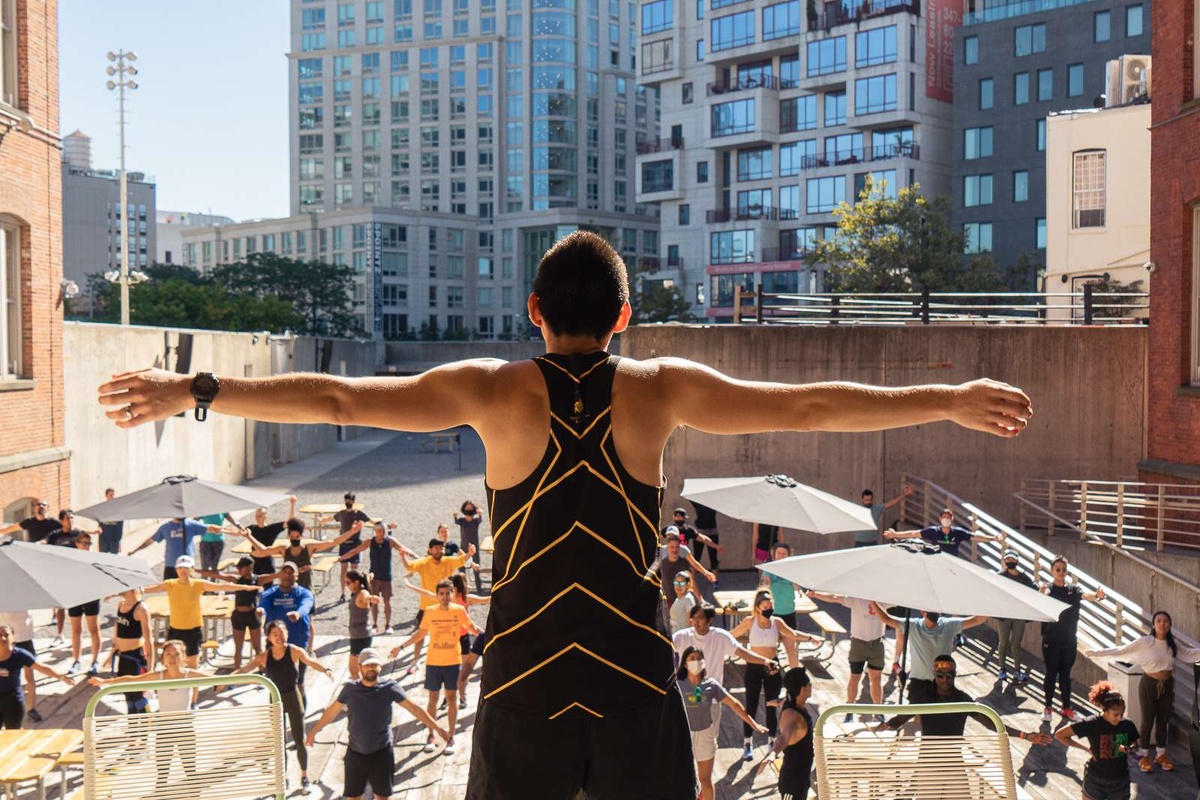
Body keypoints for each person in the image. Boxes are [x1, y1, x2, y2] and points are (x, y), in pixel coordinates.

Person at [99, 229, 1033, 799]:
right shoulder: (660, 389)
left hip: (523, 679)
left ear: (533, 309)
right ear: (624, 315)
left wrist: (196, 387)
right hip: (632, 677)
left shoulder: (491, 388)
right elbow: (811, 407)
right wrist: (947, 394)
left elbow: (341, 402)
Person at [306, 647, 450, 800]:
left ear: (380, 667)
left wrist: (438, 728)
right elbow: (330, 712)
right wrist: (313, 732)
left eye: (374, 665)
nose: (371, 668)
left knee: (382, 797)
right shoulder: (350, 689)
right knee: (353, 798)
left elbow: (415, 709)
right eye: (367, 665)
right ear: (359, 667)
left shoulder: (389, 687)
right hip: (355, 754)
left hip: (382, 753)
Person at [1086, 610, 1200, 772]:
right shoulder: (1146, 642)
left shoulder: (1172, 643)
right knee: (1147, 721)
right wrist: (1097, 653)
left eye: (1165, 621)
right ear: (1154, 625)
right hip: (1149, 684)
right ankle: (1143, 756)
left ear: (1169, 625)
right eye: (1159, 621)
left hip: (1167, 684)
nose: (1162, 624)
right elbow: (1121, 650)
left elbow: (1189, 654)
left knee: (1163, 721)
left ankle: (1161, 755)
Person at [89, 639, 208, 792]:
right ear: (163, 657)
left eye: (176, 654)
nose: (172, 658)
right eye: (168, 654)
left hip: (185, 731)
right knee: (162, 776)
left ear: (183, 656)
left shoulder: (189, 674)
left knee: (190, 773)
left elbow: (218, 680)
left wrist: (242, 676)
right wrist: (105, 681)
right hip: (164, 731)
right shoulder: (158, 676)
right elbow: (131, 680)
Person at [228, 620, 333, 793]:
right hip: (275, 700)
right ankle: (282, 779)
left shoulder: (294, 650)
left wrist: (326, 669)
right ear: (269, 637)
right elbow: (246, 669)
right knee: (279, 742)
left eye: (282, 632)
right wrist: (226, 682)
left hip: (293, 697)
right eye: (275, 634)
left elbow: (311, 661)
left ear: (287, 633)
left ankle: (304, 776)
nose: (279, 636)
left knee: (300, 739)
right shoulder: (264, 656)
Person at [392, 578, 482, 754]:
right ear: (437, 595)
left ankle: (450, 737)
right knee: (432, 699)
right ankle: (431, 735)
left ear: (453, 593)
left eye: (448, 593)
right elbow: (420, 635)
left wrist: (489, 636)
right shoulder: (430, 611)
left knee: (452, 699)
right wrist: (401, 647)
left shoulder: (459, 610)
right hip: (433, 662)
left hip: (453, 662)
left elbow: (472, 628)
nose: (445, 596)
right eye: (441, 594)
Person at [876, 654, 1052, 742]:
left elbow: (991, 723)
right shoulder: (924, 697)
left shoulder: (962, 699)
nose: (945, 680)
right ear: (934, 675)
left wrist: (1025, 735)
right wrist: (886, 725)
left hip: (954, 759)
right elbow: (902, 718)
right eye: (941, 675)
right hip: (929, 757)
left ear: (955, 675)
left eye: (949, 676)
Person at [730, 590, 821, 759]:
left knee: (771, 704)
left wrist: (810, 638)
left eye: (771, 606)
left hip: (772, 666)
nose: (769, 609)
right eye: (766, 607)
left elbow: (792, 634)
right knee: (751, 705)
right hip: (754, 666)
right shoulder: (750, 622)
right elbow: (731, 636)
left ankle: (772, 740)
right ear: (757, 608)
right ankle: (747, 742)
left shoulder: (776, 622)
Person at [677, 646, 767, 800]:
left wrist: (753, 723)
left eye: (699, 658)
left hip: (705, 736)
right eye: (692, 658)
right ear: (685, 663)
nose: (696, 661)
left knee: (705, 779)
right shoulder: (678, 684)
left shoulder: (711, 685)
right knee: (682, 778)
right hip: (684, 735)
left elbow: (733, 704)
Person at [143, 555, 253, 669]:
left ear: (192, 570)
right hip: (175, 629)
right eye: (180, 568)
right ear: (176, 570)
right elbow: (150, 589)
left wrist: (244, 587)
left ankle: (194, 687)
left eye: (186, 568)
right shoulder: (170, 584)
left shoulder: (198, 584)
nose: (183, 571)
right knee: (172, 663)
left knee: (192, 663)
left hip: (193, 630)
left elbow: (220, 586)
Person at [402, 571, 490, 708]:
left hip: (460, 638)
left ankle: (456, 697)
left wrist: (409, 585)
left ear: (453, 588)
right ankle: (460, 697)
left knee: (456, 670)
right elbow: (486, 600)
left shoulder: (462, 599)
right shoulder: (465, 598)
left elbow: (425, 592)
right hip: (461, 638)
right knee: (460, 670)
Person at [871, 602, 989, 701]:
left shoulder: (949, 625)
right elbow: (886, 619)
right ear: (923, 612)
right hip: (918, 684)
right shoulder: (913, 625)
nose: (934, 613)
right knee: (917, 719)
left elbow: (978, 619)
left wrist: (990, 602)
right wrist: (871, 601)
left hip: (942, 682)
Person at [1039, 555, 1105, 722]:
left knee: (1065, 674)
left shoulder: (1073, 590)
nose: (1061, 572)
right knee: (1051, 674)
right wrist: (1043, 594)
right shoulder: (1048, 588)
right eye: (1058, 569)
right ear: (1052, 571)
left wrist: (1097, 595)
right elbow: (1043, 594)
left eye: (1064, 570)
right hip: (1050, 639)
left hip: (1068, 641)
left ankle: (1066, 708)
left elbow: (1085, 596)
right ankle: (1048, 707)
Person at [806, 590, 887, 720]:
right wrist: (815, 594)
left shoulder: (884, 599)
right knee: (855, 677)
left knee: (876, 679)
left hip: (877, 644)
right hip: (858, 644)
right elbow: (835, 597)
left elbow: (901, 600)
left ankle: (878, 710)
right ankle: (850, 709)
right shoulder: (856, 599)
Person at [400, 537, 475, 672]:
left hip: (447, 606)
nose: (439, 551)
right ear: (430, 550)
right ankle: (415, 661)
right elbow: (409, 566)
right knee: (420, 636)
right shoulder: (423, 563)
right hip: (427, 607)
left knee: (451, 634)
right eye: (436, 548)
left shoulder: (448, 561)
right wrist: (402, 556)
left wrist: (469, 553)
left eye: (441, 549)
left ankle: (453, 662)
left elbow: (462, 560)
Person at [1055, 681, 1140, 800]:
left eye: (1121, 714)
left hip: (1120, 781)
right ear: (1105, 709)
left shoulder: (1127, 725)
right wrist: (1086, 749)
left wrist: (1130, 750)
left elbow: (1136, 748)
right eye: (1116, 715)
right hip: (1095, 780)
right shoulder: (1091, 723)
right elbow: (1060, 735)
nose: (1119, 718)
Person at [337, 520, 409, 632]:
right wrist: (341, 558)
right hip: (374, 576)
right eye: (379, 530)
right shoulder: (369, 542)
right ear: (375, 531)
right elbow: (356, 550)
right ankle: (375, 625)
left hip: (386, 576)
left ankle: (388, 625)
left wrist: (418, 557)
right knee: (373, 602)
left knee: (387, 601)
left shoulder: (390, 541)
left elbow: (403, 549)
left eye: (383, 531)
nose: (381, 533)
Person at [252, 517, 358, 592]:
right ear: (288, 537)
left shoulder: (309, 547)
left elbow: (333, 542)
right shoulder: (284, 549)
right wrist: (249, 536)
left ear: (301, 536)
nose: (294, 539)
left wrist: (352, 532)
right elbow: (263, 550)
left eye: (297, 536)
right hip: (289, 590)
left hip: (306, 589)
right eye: (292, 537)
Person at [259, 562, 316, 698]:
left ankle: (300, 715)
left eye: (291, 572)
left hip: (298, 643)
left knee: (298, 682)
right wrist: (261, 610)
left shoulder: (304, 593)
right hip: (275, 645)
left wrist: (298, 613)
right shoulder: (271, 593)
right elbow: (264, 603)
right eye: (284, 572)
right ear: (279, 575)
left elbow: (306, 605)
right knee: (275, 684)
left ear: (297, 575)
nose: (287, 575)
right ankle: (277, 715)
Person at [0, 624, 75, 728]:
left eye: (6, 635)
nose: (2, 638)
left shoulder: (19, 655)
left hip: (13, 701)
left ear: (13, 638)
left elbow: (41, 667)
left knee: (13, 734)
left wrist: (61, 677)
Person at [756, 667, 815, 800]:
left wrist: (773, 703)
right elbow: (784, 737)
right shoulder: (793, 717)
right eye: (809, 684)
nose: (811, 686)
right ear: (803, 689)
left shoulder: (791, 703)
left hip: (801, 778)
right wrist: (773, 753)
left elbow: (781, 702)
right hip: (792, 784)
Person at [885, 507, 1006, 558]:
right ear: (940, 519)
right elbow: (914, 534)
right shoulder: (933, 531)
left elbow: (975, 536)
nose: (946, 519)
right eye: (944, 517)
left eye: (948, 517)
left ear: (952, 519)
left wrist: (994, 538)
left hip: (953, 562)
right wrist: (895, 534)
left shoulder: (958, 532)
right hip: (936, 560)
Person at [213, 556, 267, 671]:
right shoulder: (236, 580)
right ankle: (237, 674)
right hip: (238, 615)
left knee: (257, 647)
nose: (238, 570)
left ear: (249, 568)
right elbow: (217, 575)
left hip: (253, 615)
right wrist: (196, 571)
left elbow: (278, 575)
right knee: (238, 648)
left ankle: (262, 672)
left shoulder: (258, 579)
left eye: (240, 567)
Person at [129, 516, 225, 580]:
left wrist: (227, 530)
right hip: (171, 565)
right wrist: (134, 550)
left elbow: (209, 528)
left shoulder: (190, 524)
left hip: (187, 565)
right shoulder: (166, 527)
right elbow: (151, 540)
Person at [107, 588, 154, 714]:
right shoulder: (121, 604)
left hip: (135, 657)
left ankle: (145, 728)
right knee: (127, 695)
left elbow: (149, 639)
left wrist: (151, 669)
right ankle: (132, 727)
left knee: (138, 695)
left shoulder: (141, 609)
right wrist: (110, 653)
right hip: (123, 656)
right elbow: (117, 631)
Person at [66, 531, 104, 676]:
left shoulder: (94, 558)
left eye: (89, 543)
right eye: (84, 543)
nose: (87, 546)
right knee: (76, 631)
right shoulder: (71, 558)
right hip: (75, 596)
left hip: (91, 596)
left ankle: (95, 661)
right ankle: (76, 661)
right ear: (77, 544)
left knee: (93, 629)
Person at [995, 549, 1036, 683]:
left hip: (1018, 614)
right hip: (1004, 614)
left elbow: (1034, 588)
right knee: (1003, 643)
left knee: (1016, 643)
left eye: (1012, 560)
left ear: (1017, 561)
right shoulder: (1000, 575)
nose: (1010, 562)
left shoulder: (1023, 577)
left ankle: (1017, 670)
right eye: (1008, 559)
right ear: (1004, 561)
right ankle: (1002, 669)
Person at [324, 492, 371, 602]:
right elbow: (332, 518)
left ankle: (354, 591)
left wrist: (382, 525)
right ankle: (342, 593)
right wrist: (322, 520)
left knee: (354, 570)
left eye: (349, 500)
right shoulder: (342, 513)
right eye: (346, 500)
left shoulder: (358, 513)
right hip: (344, 545)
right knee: (343, 570)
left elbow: (369, 521)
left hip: (355, 545)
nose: (348, 502)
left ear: (353, 501)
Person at [241, 496, 299, 584]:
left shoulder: (272, 529)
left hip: (266, 561)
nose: (257, 518)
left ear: (266, 517)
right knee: (252, 584)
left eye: (260, 516)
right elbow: (237, 532)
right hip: (253, 561)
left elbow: (289, 522)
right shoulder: (252, 528)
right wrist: (221, 529)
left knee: (268, 585)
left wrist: (292, 505)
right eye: (256, 516)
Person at [0, 611, 41, 722]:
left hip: (24, 638)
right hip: (4, 640)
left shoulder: (24, 596)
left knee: (29, 677)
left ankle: (31, 709)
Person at [345, 570, 382, 680]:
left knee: (356, 668)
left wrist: (371, 598)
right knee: (357, 667)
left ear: (356, 582)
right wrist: (369, 576)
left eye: (348, 583)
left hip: (361, 636)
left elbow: (366, 597)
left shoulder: (362, 593)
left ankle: (361, 686)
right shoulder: (358, 591)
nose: (347, 586)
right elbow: (368, 578)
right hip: (357, 635)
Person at [759, 542, 800, 629]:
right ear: (774, 555)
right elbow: (764, 585)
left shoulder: (793, 569)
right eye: (779, 553)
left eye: (784, 553)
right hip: (772, 611)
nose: (781, 555)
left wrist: (793, 577)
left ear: (788, 555)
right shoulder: (768, 569)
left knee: (790, 640)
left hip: (788, 610)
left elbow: (797, 588)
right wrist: (766, 582)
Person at [453, 501, 486, 592]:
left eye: (470, 508)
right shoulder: (462, 521)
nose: (469, 510)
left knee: (476, 569)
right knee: (461, 569)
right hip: (463, 549)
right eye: (467, 508)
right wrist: (455, 515)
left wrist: (480, 513)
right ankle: (461, 589)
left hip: (474, 549)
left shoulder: (475, 521)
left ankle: (479, 588)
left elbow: (480, 519)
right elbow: (456, 521)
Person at [689, 500, 721, 583]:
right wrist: (682, 487)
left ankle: (715, 581)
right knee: (696, 557)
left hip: (712, 532)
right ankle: (692, 581)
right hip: (699, 533)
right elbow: (688, 496)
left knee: (713, 557)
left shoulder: (714, 504)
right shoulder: (698, 504)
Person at [669, 570, 701, 634]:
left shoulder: (688, 599)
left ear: (687, 585)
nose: (678, 586)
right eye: (676, 583)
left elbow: (691, 623)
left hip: (684, 638)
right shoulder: (677, 599)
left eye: (682, 583)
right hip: (675, 635)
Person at [96, 488, 125, 554]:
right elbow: (99, 523)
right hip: (104, 538)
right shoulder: (102, 508)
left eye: (113, 495)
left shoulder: (118, 509)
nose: (113, 497)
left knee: (114, 558)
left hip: (114, 538)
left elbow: (120, 526)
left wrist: (119, 541)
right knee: (103, 557)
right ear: (106, 495)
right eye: (111, 495)